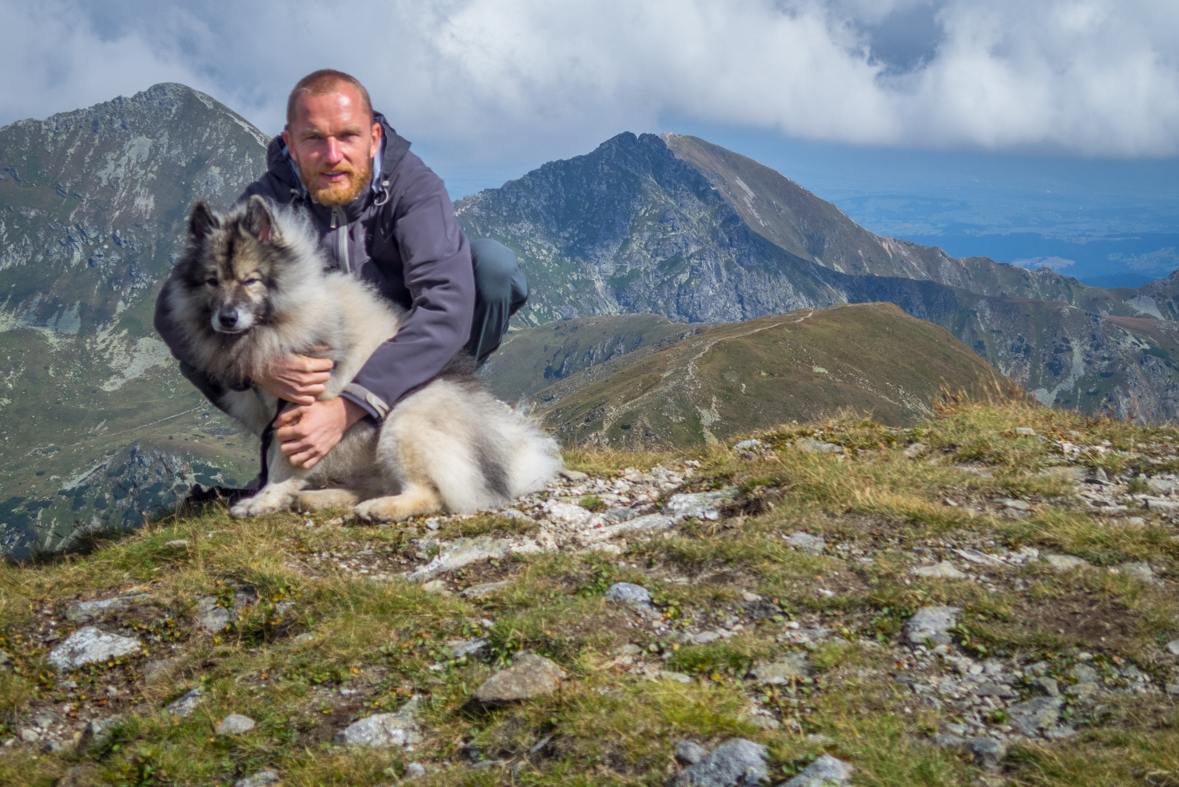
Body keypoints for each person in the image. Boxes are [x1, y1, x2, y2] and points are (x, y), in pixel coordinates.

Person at [155, 69, 528, 480]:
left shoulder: (414, 188)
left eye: (347, 136)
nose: (332, 155)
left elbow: (446, 306)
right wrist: (257, 368)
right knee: (205, 339)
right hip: (322, 361)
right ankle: (297, 457)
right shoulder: (266, 202)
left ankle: (440, 409)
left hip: (405, 343)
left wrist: (349, 406)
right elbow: (170, 312)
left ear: (374, 138)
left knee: (493, 268)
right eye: (314, 138)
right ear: (290, 144)